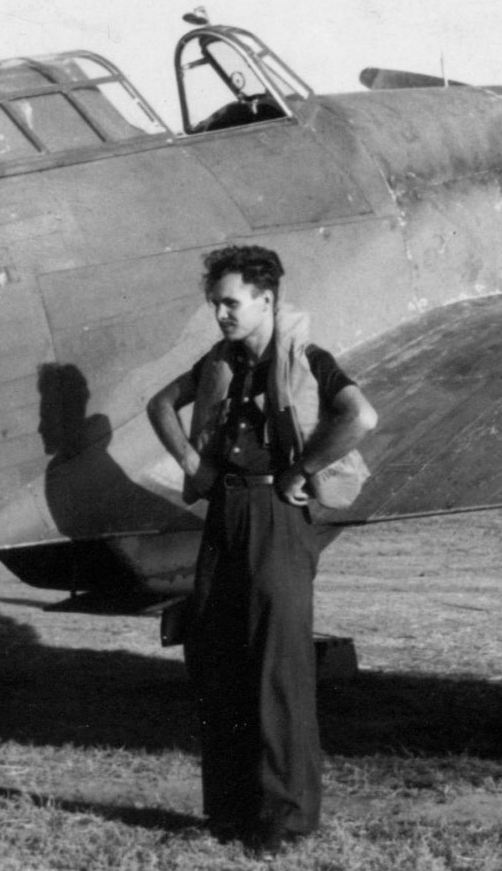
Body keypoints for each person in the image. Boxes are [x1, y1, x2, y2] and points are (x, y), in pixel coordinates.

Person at [146, 244, 376, 854]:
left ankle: (285, 819)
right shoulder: (220, 361)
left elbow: (360, 417)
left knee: (279, 667)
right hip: (224, 511)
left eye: (230, 302)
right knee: (217, 656)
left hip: (278, 514)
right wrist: (193, 465)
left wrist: (303, 471)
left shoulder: (308, 358)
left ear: (266, 299)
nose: (220, 314)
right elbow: (160, 405)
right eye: (214, 304)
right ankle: (227, 812)